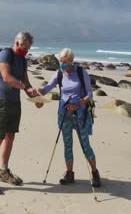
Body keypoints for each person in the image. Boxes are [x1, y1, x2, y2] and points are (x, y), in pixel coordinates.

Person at [0, 31, 40, 194]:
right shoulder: (5, 54)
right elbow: (7, 77)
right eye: (25, 47)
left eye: (29, 48)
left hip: (15, 102)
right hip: (2, 102)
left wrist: (35, 97)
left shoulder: (22, 60)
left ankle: (4, 171)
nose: (26, 51)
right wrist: (25, 87)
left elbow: (26, 82)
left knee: (10, 136)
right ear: (17, 43)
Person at [38, 48, 101, 187]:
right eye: (60, 61)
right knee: (67, 145)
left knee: (85, 146)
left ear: (71, 61)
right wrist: (38, 94)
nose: (62, 64)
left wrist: (78, 104)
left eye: (64, 61)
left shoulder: (80, 72)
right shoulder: (59, 73)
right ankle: (69, 173)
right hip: (64, 114)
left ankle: (95, 173)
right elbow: (48, 87)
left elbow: (90, 94)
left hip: (80, 115)